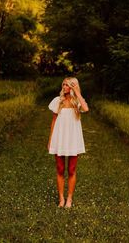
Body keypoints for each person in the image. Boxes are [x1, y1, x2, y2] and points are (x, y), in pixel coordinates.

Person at [47, 77, 89, 208]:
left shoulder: (77, 101)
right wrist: (50, 139)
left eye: (67, 85)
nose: (64, 87)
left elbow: (86, 109)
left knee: (71, 170)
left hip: (72, 139)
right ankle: (61, 198)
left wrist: (77, 92)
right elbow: (54, 121)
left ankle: (69, 198)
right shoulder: (57, 101)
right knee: (60, 169)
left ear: (73, 87)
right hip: (59, 138)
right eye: (63, 84)